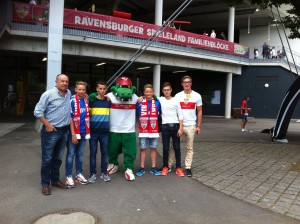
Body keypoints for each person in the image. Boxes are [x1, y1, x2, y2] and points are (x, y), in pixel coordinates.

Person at [34, 74, 71, 195]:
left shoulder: (68, 93)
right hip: (51, 132)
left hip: (64, 131)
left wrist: (85, 97)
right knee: (47, 159)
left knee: (58, 159)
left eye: (66, 81)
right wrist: (48, 125)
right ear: (56, 82)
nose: (64, 83)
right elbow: (37, 112)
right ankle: (45, 184)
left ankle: (55, 180)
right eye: (62, 81)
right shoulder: (48, 95)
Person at [171, 75, 203, 177]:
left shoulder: (197, 96)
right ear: (182, 84)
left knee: (189, 148)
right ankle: (168, 165)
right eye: (185, 82)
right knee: (174, 147)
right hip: (179, 125)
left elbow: (200, 111)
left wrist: (198, 126)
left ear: (191, 83)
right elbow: (173, 110)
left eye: (188, 82)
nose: (187, 84)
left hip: (191, 126)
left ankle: (188, 168)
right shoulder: (177, 96)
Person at [65, 81, 90, 188]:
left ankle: (79, 174)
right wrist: (73, 134)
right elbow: (70, 118)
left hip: (84, 132)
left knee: (80, 154)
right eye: (79, 89)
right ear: (75, 90)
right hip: (74, 132)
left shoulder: (86, 100)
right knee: (71, 154)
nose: (81, 91)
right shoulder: (71, 101)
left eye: (83, 89)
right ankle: (68, 176)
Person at [88, 81, 111, 183]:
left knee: (105, 154)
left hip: (105, 132)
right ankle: (93, 174)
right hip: (93, 132)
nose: (102, 90)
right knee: (93, 153)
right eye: (100, 88)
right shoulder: (91, 101)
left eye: (104, 89)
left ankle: (104, 173)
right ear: (97, 89)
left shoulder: (108, 101)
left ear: (106, 90)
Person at [136, 84, 161, 176]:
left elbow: (159, 114)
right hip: (143, 130)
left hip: (154, 130)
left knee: (153, 149)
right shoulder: (139, 102)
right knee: (143, 149)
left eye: (150, 92)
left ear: (153, 92)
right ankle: (142, 167)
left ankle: (153, 167)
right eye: (146, 92)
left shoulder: (157, 103)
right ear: (144, 93)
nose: (148, 93)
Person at [159, 82, 184, 177]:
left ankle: (178, 168)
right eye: (165, 90)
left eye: (168, 90)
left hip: (176, 127)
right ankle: (165, 167)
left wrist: (181, 128)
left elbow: (180, 115)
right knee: (165, 148)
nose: (166, 91)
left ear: (171, 90)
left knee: (177, 147)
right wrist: (141, 97)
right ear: (163, 91)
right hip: (165, 127)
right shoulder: (160, 99)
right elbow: (149, 96)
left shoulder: (176, 100)